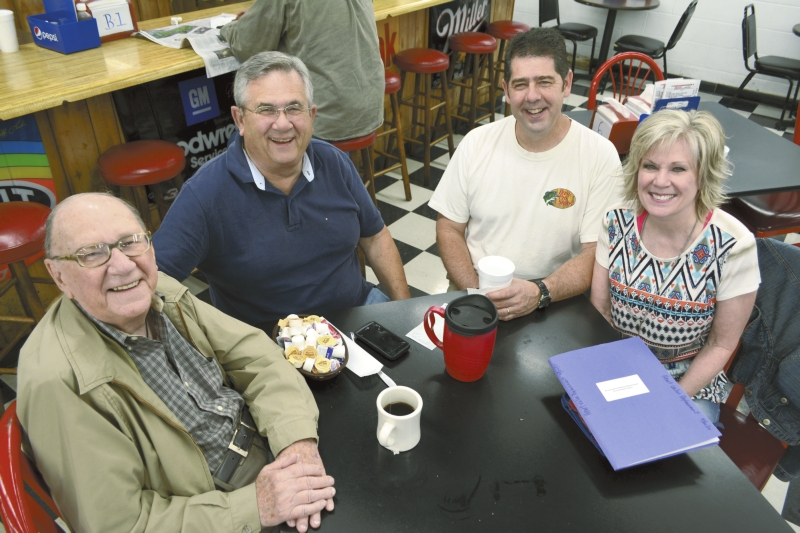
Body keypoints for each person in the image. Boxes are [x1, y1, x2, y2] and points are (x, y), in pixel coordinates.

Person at [17, 192, 336, 533]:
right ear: (59, 276)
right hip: (215, 508)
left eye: (130, 242)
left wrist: (296, 443)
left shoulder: (160, 290)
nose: (123, 266)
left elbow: (257, 357)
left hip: (271, 441)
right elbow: (121, 525)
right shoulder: (57, 381)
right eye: (92, 253)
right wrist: (255, 506)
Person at [154, 52, 410, 326]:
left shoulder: (334, 162)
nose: (283, 123)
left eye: (294, 108)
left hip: (357, 311)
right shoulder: (204, 194)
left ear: (311, 115)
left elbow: (375, 236)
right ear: (240, 120)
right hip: (268, 343)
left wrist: (405, 310)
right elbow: (154, 282)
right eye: (266, 110)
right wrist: (209, 338)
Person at [428, 28, 622, 321]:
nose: (532, 96)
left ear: (567, 83)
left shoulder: (600, 155)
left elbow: (596, 252)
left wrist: (541, 292)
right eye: (520, 85)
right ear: (506, 90)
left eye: (544, 82)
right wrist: (477, 293)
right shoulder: (476, 143)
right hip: (475, 289)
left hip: (556, 300)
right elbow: (449, 228)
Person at [590, 110, 760, 424]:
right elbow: (599, 309)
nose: (660, 181)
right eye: (650, 166)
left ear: (703, 175)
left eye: (678, 169)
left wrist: (670, 401)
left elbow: (720, 344)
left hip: (686, 384)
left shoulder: (734, 244)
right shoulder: (616, 220)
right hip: (616, 369)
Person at [219, 0, 383, 142]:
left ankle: (326, 165)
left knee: (237, 141)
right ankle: (336, 166)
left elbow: (247, 45)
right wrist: (256, 19)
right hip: (369, 106)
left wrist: (231, 27)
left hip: (327, 119)